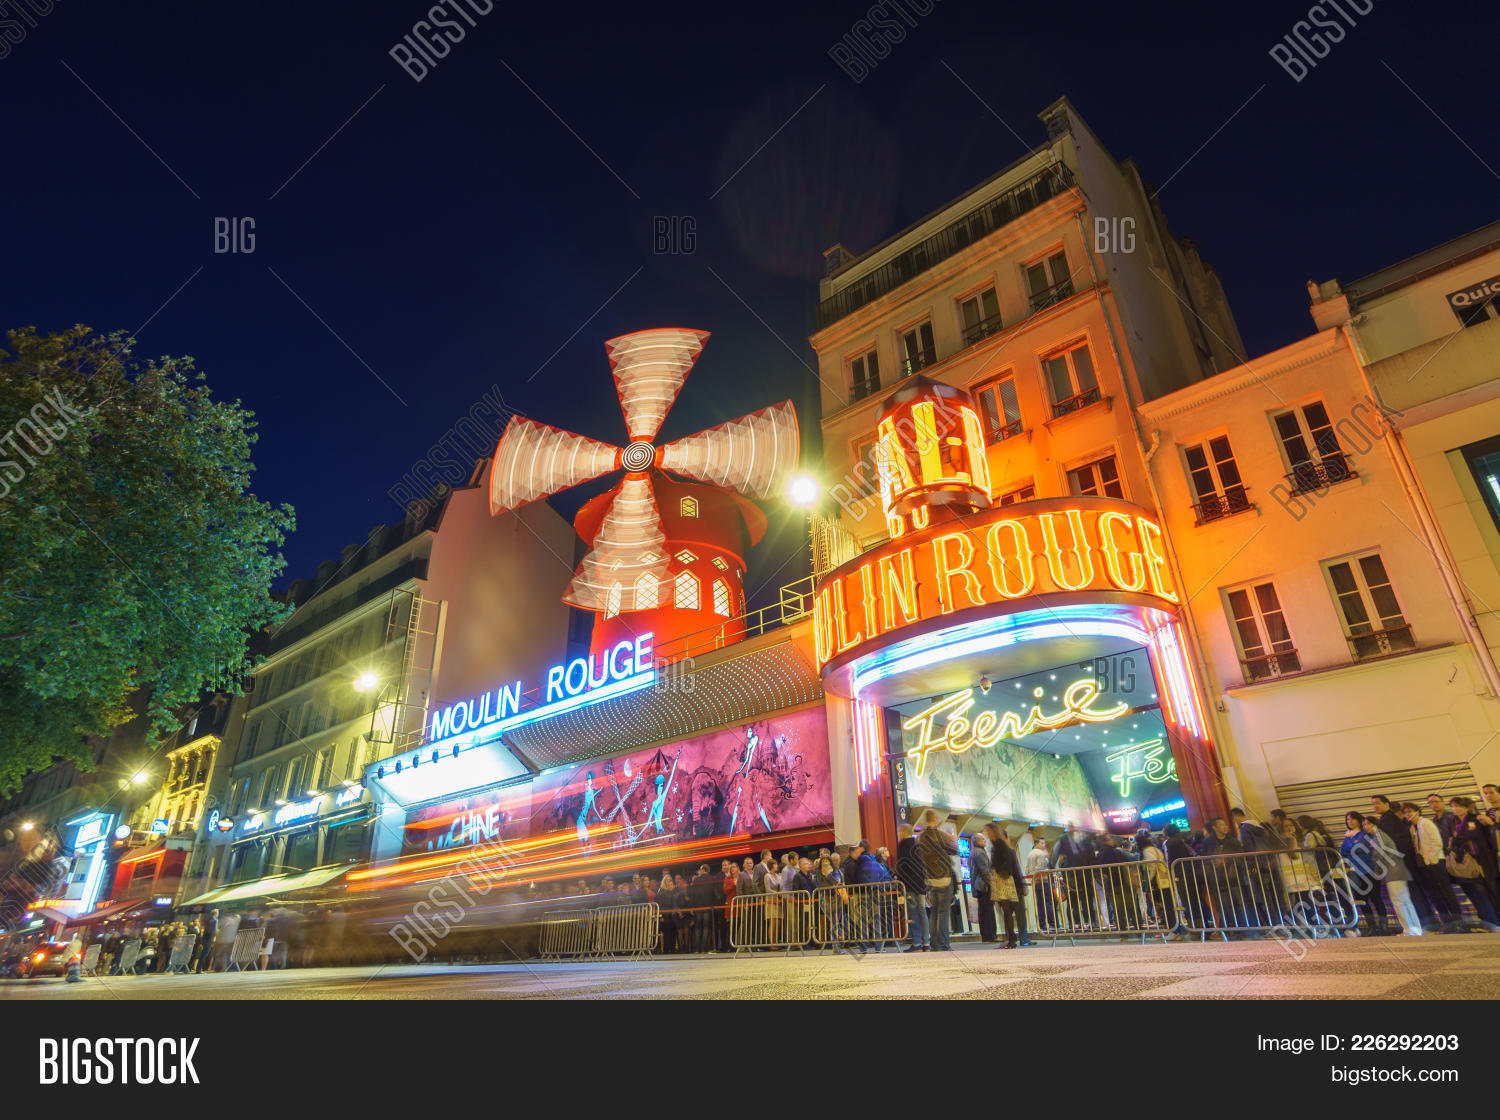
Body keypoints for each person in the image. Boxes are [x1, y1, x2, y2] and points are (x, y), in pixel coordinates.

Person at [1372, 794, 1434, 926]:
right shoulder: (1387, 819)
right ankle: (1424, 923)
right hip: (1402, 862)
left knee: (1408, 895)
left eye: (1377, 803)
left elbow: (1390, 844)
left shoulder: (1388, 819)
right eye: (1373, 804)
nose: (1375, 806)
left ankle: (1425, 923)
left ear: (1386, 804)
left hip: (1400, 864)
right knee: (1409, 895)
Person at [1361, 817, 1422, 936]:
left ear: (1374, 824)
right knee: (1405, 901)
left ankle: (1408, 930)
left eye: (1368, 824)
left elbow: (1378, 855)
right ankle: (1415, 929)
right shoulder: (1379, 835)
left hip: (1393, 872)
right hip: (1398, 871)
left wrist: (1377, 871)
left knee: (1398, 902)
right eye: (1364, 824)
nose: (1365, 826)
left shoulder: (1378, 836)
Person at [1402, 801, 1459, 925]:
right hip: (1423, 864)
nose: (1408, 814)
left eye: (1410, 811)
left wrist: (1433, 859)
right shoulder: (1412, 827)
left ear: (1417, 811)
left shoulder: (1426, 823)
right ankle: (1446, 921)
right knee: (1434, 893)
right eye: (1405, 813)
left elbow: (1436, 841)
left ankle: (1458, 921)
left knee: (1446, 891)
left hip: (1435, 861)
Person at [1448, 797, 1500, 922]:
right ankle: (1490, 918)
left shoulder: (1476, 819)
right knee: (1480, 891)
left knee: (1492, 888)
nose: (1455, 809)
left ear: (1466, 808)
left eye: (1458, 806)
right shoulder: (1453, 822)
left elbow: (1488, 837)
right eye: (1453, 806)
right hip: (1468, 861)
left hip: (1484, 859)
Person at [916, 811, 959, 951]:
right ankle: (944, 943)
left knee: (934, 911)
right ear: (934, 819)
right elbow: (954, 850)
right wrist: (952, 839)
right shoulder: (941, 835)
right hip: (944, 876)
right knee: (943, 912)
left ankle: (934, 943)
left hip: (930, 878)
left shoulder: (921, 837)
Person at [1342, 812, 1389, 935]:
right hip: (1355, 872)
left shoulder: (1365, 833)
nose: (1350, 821)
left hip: (1369, 869)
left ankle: (1384, 925)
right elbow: (1343, 852)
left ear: (1359, 820)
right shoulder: (1347, 836)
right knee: (1361, 900)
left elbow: (1360, 848)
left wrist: (1351, 842)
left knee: (1376, 898)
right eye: (1348, 819)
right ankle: (1372, 926)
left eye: (1353, 819)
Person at [987, 823, 1028, 948]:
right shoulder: (996, 845)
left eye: (989, 831)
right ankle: (1011, 938)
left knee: (1008, 911)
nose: (988, 834)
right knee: (1006, 911)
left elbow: (1009, 865)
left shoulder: (1000, 845)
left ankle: (1013, 939)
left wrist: (999, 871)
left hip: (1003, 880)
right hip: (1001, 879)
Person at [895, 823, 928, 952]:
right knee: (922, 911)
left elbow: (901, 866)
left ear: (904, 832)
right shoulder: (918, 844)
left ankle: (916, 942)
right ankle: (926, 942)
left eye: (899, 832)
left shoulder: (902, 845)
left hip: (909, 884)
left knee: (913, 913)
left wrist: (900, 882)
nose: (899, 834)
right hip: (920, 884)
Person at [1137, 829, 1175, 931]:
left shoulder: (1146, 851)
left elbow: (1153, 865)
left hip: (1158, 882)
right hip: (1165, 880)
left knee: (1161, 906)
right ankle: (1173, 928)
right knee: (1168, 906)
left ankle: (1170, 929)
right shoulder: (1156, 849)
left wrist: (1149, 879)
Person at [969, 831, 995, 942]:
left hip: (977, 886)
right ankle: (990, 935)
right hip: (983, 886)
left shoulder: (973, 852)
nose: (985, 841)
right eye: (983, 839)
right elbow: (985, 871)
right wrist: (992, 883)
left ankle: (985, 935)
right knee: (988, 911)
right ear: (977, 841)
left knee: (983, 911)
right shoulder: (980, 853)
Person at [1025, 837, 1054, 931]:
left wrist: (1032, 879)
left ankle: (1041, 925)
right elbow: (1040, 868)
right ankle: (1052, 924)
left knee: (1039, 904)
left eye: (1044, 843)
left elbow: (1027, 870)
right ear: (1036, 844)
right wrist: (1037, 877)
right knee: (1048, 903)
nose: (1044, 845)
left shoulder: (1029, 854)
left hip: (1035, 882)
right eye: (1042, 843)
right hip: (1043, 881)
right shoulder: (1041, 854)